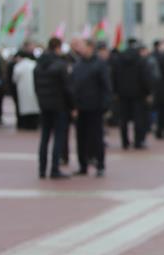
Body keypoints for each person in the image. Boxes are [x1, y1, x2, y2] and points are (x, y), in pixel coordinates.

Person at [70, 39, 112, 177]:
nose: (80, 49)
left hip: (95, 106)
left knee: (96, 137)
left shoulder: (99, 64)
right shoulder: (78, 63)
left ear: (90, 47)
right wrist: (73, 105)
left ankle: (100, 164)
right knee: (81, 137)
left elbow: (106, 86)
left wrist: (105, 105)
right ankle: (83, 165)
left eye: (82, 46)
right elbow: (73, 85)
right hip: (80, 107)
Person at [34, 37, 74, 179]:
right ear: (57, 47)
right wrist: (73, 106)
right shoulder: (60, 65)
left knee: (44, 138)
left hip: (44, 106)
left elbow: (36, 87)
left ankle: (42, 169)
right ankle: (55, 169)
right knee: (58, 138)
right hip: (59, 106)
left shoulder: (38, 65)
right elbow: (67, 88)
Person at [113, 39, 152, 149]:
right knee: (139, 119)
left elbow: (114, 76)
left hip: (122, 94)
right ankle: (138, 141)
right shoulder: (141, 60)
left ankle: (125, 141)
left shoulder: (119, 60)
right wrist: (148, 92)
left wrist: (115, 91)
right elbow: (145, 78)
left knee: (123, 119)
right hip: (138, 94)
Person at [11, 50, 40, 130]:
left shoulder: (18, 66)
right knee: (34, 107)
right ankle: (33, 124)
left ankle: (25, 125)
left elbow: (14, 79)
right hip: (34, 89)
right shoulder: (34, 64)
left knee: (24, 108)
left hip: (22, 90)